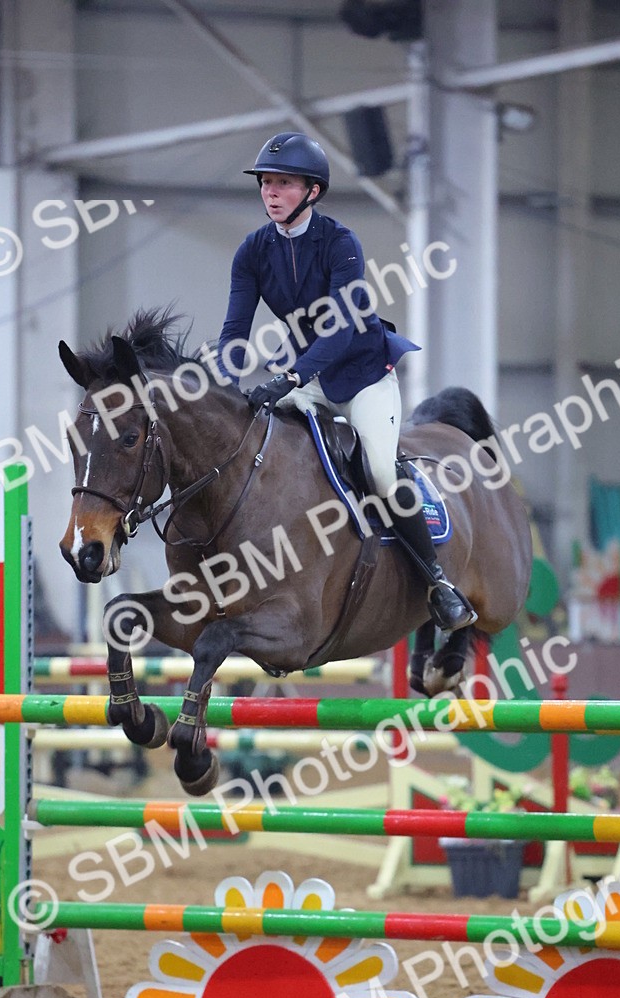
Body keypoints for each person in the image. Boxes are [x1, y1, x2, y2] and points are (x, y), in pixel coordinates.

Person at [216, 131, 476, 633]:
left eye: (284, 183)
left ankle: (436, 581)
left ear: (312, 191)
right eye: (266, 183)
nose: (271, 192)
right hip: (303, 375)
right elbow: (235, 332)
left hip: (361, 376)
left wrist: (289, 378)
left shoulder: (340, 244)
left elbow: (339, 329)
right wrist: (225, 384)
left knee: (380, 470)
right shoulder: (252, 251)